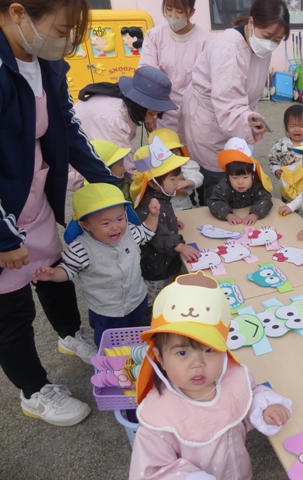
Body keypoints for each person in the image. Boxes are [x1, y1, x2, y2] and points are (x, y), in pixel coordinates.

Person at [0, 0, 119, 427]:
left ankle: (70, 334)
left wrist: (109, 186)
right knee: (11, 309)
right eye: (62, 29)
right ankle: (34, 390)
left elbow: (68, 128)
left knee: (52, 272)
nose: (68, 41)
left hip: (32, 194)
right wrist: (4, 237)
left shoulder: (45, 62)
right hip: (3, 209)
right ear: (19, 14)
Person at [130, 271, 292, 479]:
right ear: (160, 358)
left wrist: (265, 407)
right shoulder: (159, 418)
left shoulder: (230, 379)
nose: (198, 363)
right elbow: (152, 472)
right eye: (182, 353)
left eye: (209, 350)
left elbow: (247, 397)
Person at [180, 0, 290, 203]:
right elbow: (227, 102)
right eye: (267, 36)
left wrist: (249, 119)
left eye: (277, 39)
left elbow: (247, 92)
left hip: (234, 119)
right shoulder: (228, 50)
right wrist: (248, 120)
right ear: (251, 22)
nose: (271, 44)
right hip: (210, 122)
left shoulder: (259, 46)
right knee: (216, 182)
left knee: (235, 176)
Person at [31, 184, 160, 346]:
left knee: (140, 334)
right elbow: (68, 270)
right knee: (111, 344)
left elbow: (146, 232)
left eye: (120, 219)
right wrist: (52, 274)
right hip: (107, 311)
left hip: (137, 299)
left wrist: (153, 215)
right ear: (85, 225)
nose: (115, 227)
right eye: (106, 223)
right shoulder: (81, 248)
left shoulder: (130, 233)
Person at [130, 137, 200, 304]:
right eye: (173, 179)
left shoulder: (159, 194)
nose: (178, 183)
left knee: (171, 291)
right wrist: (181, 246)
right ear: (154, 184)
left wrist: (171, 222)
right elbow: (157, 235)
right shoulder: (149, 205)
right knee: (158, 300)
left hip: (167, 259)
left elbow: (163, 219)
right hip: (157, 266)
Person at [73, 65, 178, 176]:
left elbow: (126, 151)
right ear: (141, 103)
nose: (151, 118)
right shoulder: (113, 117)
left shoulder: (126, 102)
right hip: (74, 169)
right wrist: (160, 177)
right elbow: (127, 165)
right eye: (151, 113)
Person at [138, 0, 212, 132]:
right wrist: (149, 112)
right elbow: (148, 75)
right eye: (168, 9)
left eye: (179, 11)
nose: (173, 16)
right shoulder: (154, 36)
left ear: (191, 12)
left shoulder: (205, 42)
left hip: (195, 116)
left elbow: (208, 84)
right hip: (163, 115)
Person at [207, 137, 274, 225]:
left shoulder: (257, 184)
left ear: (253, 175)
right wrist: (227, 214)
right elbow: (214, 202)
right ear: (228, 176)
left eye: (245, 177)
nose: (240, 182)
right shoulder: (224, 186)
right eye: (234, 178)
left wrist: (255, 214)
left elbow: (266, 199)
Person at [148, 128, 203, 211]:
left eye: (175, 153)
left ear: (181, 151)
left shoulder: (186, 165)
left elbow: (197, 178)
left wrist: (185, 182)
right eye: (166, 154)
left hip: (184, 207)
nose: (172, 157)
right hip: (162, 208)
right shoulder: (152, 169)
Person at [268, 104, 303, 202]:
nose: (297, 129)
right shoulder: (281, 144)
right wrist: (276, 170)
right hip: (288, 182)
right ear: (286, 127)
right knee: (288, 205)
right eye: (292, 126)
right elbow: (273, 158)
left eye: (301, 126)